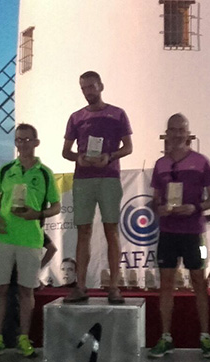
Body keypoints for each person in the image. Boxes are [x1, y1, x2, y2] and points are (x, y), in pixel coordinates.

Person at [0, 123, 61, 359]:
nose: (23, 144)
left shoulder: (45, 173)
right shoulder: (6, 169)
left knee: (27, 291)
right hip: (3, 237)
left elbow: (55, 206)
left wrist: (37, 214)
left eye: (27, 140)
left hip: (31, 239)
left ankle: (23, 338)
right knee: (0, 290)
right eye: (19, 140)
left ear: (36, 143)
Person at [148, 114, 210, 359]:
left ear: (188, 133)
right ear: (167, 133)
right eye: (173, 130)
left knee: (199, 282)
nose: (177, 134)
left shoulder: (201, 162)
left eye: (182, 130)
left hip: (195, 234)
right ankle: (166, 337)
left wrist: (195, 208)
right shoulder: (160, 164)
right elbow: (154, 200)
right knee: (165, 284)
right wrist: (159, 208)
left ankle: (206, 337)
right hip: (168, 233)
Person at [61, 70, 133, 303]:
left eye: (91, 87)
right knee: (84, 231)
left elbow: (128, 147)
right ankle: (81, 286)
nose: (87, 92)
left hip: (109, 177)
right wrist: (78, 158)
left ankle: (114, 286)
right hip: (83, 178)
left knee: (111, 230)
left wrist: (109, 157)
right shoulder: (75, 117)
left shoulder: (117, 113)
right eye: (83, 88)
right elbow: (66, 151)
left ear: (101, 86)